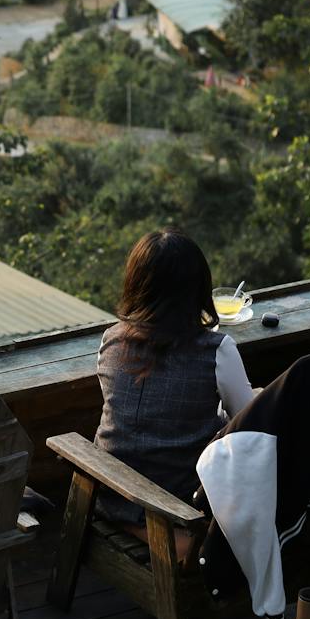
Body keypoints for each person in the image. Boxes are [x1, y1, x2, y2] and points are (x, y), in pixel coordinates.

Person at [92, 230, 255, 550]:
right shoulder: (217, 349)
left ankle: (143, 527)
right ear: (197, 290)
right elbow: (247, 423)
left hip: (112, 491)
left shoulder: (111, 340)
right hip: (178, 501)